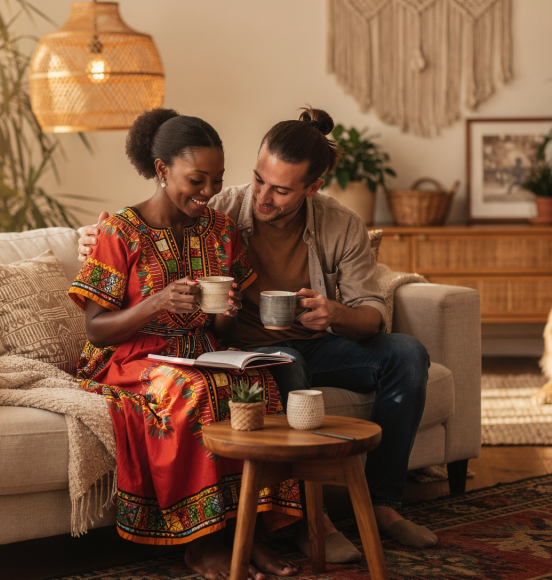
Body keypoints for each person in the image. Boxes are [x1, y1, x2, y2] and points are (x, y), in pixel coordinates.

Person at [78, 107, 435, 562]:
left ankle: (384, 506)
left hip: (300, 342)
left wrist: (332, 314)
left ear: (312, 188)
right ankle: (293, 521)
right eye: (258, 180)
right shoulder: (218, 209)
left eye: (281, 190)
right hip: (240, 350)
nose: (262, 197)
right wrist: (91, 238)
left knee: (406, 355)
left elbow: (371, 315)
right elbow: (145, 223)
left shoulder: (325, 225)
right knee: (274, 368)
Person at [69, 108, 301, 580]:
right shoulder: (121, 232)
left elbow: (224, 333)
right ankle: (200, 541)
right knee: (191, 390)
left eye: (216, 180)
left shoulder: (221, 232)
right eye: (197, 179)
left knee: (258, 385)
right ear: (162, 170)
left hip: (199, 350)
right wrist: (154, 303)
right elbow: (96, 328)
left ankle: (248, 531)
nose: (209, 192)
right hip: (131, 357)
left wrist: (226, 314)